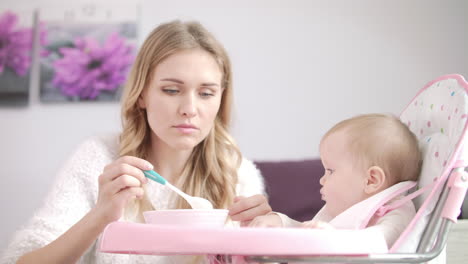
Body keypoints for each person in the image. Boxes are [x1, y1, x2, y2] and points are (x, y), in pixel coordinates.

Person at [2, 20, 271, 264]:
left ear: (220, 98)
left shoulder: (236, 172)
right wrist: (101, 215)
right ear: (142, 94)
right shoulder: (99, 159)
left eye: (206, 93)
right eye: (171, 90)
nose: (189, 108)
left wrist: (259, 246)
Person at [249, 113, 422, 248]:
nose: (322, 180)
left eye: (330, 171)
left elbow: (378, 242)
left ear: (371, 180)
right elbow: (307, 232)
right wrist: (282, 223)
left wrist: (331, 238)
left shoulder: (396, 215)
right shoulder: (348, 209)